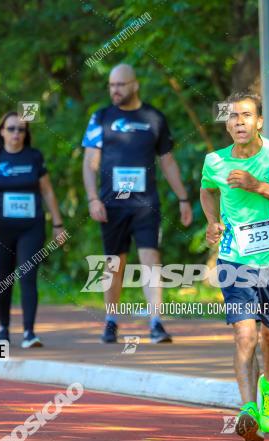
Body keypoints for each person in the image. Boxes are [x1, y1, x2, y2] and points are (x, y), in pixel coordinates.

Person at [200, 91, 269, 441]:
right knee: (244, 334)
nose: (239, 122)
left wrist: (258, 186)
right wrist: (212, 222)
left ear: (259, 121)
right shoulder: (214, 161)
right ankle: (248, 410)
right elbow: (206, 190)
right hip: (235, 258)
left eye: (246, 115)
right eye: (232, 116)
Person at [81, 63, 192, 344]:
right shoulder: (101, 117)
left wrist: (183, 198)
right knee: (114, 264)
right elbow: (89, 162)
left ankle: (156, 322)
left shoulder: (154, 118)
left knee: (151, 258)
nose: (115, 90)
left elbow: (167, 162)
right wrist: (93, 198)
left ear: (134, 85)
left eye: (120, 85)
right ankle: (110, 321)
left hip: (145, 204)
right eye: (111, 85)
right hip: (111, 204)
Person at [0, 111, 66, 348]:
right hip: (1, 228)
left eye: (21, 129)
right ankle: (3, 327)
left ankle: (29, 332)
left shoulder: (34, 157)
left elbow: (47, 191)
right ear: (2, 131)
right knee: (4, 277)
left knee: (28, 275)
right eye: (11, 128)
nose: (16, 133)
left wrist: (58, 224)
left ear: (26, 134)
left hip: (31, 227)